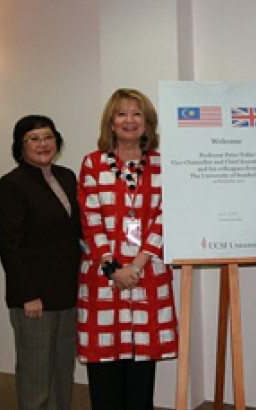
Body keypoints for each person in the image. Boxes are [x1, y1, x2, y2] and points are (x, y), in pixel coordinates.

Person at [76, 88, 178, 409]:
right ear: (110, 122)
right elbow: (90, 219)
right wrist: (113, 268)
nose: (130, 121)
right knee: (104, 377)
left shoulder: (165, 165)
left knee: (140, 382)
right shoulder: (92, 164)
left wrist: (136, 265)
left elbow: (165, 216)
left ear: (148, 124)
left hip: (147, 276)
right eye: (122, 114)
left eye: (137, 114)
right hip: (103, 279)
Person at [0, 115, 82, 410]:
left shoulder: (67, 176)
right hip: (34, 300)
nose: (43, 144)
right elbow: (11, 246)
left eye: (48, 137)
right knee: (36, 377)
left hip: (67, 293)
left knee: (61, 370)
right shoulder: (12, 185)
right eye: (34, 138)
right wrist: (28, 294)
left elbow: (77, 232)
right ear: (20, 146)